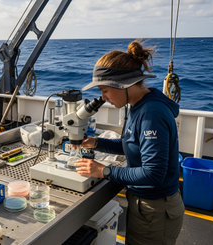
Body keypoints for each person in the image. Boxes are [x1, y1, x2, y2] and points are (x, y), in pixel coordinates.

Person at [74, 40, 184, 245]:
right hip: (145, 204)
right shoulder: (139, 105)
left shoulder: (152, 113)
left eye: (105, 90)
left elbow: (153, 173)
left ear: (122, 85)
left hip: (156, 210)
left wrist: (104, 171)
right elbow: (131, 144)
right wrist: (95, 143)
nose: (103, 98)